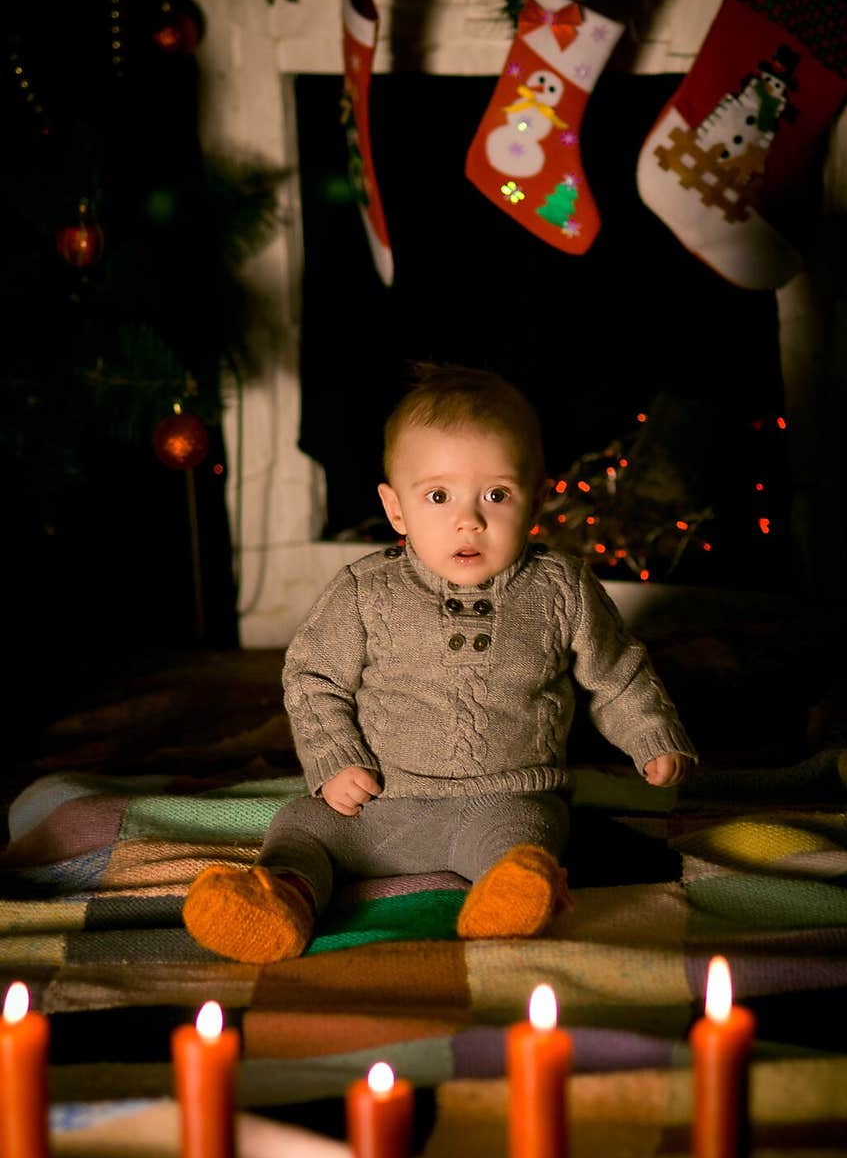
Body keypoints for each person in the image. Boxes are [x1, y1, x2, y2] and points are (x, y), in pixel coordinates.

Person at [183, 365, 696, 962]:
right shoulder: (365, 592)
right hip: (378, 805)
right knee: (301, 824)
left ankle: (510, 898)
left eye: (496, 494)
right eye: (438, 495)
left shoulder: (561, 589)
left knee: (528, 842)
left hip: (504, 799)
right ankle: (281, 899)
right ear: (396, 510)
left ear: (535, 497)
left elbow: (617, 672)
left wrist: (651, 735)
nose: (469, 519)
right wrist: (334, 759)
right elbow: (312, 677)